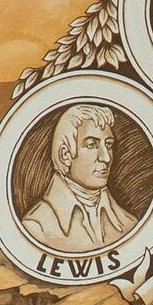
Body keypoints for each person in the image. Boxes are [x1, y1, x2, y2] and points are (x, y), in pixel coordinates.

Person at [19, 101, 136, 252]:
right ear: (65, 155)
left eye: (109, 145)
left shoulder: (129, 223)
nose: (106, 157)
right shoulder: (35, 228)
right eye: (91, 145)